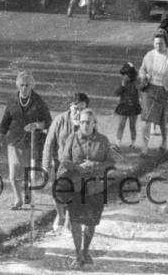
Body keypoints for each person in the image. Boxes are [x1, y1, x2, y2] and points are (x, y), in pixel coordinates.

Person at [56, 109, 115, 269]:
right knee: (75, 220)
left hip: (95, 188)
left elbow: (110, 163)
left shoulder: (103, 140)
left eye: (88, 122)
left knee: (90, 222)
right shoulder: (72, 138)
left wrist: (96, 165)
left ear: (94, 123)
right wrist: (78, 167)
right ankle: (78, 254)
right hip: (75, 187)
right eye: (82, 122)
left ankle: (86, 250)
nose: (85, 125)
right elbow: (64, 160)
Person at [0, 71, 51, 210]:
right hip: (14, 141)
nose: (24, 88)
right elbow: (4, 123)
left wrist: (37, 125)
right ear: (17, 86)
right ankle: (18, 199)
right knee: (13, 173)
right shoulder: (12, 100)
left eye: (27, 85)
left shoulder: (38, 101)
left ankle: (27, 196)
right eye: (22, 85)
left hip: (32, 142)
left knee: (28, 173)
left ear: (32, 86)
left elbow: (48, 121)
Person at [43, 93, 90, 232]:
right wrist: (46, 164)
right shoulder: (60, 120)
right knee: (57, 193)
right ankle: (60, 215)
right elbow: (49, 143)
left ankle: (69, 222)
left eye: (82, 109)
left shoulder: (88, 122)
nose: (78, 112)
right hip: (60, 163)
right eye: (76, 108)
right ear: (70, 107)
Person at [138, 32, 168, 153]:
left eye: (161, 43)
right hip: (150, 89)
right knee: (146, 119)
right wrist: (143, 76)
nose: (158, 46)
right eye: (156, 43)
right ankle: (145, 147)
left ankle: (164, 142)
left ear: (166, 43)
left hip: (164, 90)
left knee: (163, 120)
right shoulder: (149, 55)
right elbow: (142, 69)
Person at [114, 62, 141, 148]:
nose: (124, 77)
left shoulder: (136, 83)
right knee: (121, 125)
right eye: (123, 75)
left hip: (133, 107)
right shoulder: (123, 83)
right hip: (124, 106)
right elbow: (117, 93)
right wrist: (122, 85)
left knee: (132, 126)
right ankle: (117, 143)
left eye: (126, 75)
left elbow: (140, 88)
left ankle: (133, 143)